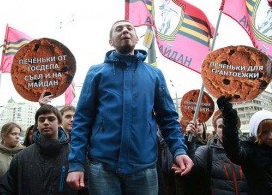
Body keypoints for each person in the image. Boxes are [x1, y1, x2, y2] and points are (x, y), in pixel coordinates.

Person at [66, 20, 193, 195]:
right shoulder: (96, 73)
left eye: (129, 28)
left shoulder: (154, 75)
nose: (125, 31)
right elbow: (82, 120)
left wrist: (179, 149)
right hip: (102, 167)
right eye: (119, 29)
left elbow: (168, 119)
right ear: (111, 41)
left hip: (144, 167)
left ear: (136, 38)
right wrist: (76, 163)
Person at [0, 105, 78, 195]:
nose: (46, 122)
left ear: (59, 123)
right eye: (41, 120)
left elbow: (85, 188)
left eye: (51, 119)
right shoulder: (22, 157)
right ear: (37, 125)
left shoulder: (74, 155)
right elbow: (6, 189)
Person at [217, 96, 272, 195]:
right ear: (256, 134)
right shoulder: (251, 153)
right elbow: (233, 149)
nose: (271, 136)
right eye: (264, 132)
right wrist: (229, 120)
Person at [173, 113, 248, 195]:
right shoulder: (207, 151)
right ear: (215, 130)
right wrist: (190, 140)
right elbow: (193, 166)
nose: (225, 129)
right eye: (220, 126)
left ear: (237, 127)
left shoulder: (248, 150)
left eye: (229, 125)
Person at [174, 120, 208, 195]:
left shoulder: (209, 144)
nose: (197, 127)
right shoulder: (183, 144)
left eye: (199, 124)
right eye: (194, 125)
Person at [0, 122, 24, 195]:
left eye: (19, 134)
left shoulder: (24, 155)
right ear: (3, 136)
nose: (18, 137)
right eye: (14, 134)